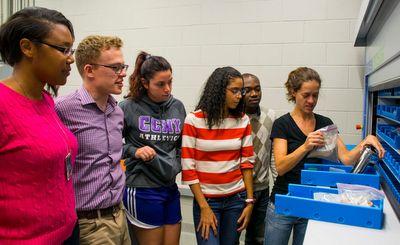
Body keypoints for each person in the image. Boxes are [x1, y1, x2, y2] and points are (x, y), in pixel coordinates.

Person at [264, 67, 385, 245]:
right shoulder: (282, 125)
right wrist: (305, 146)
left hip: (313, 201)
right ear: (293, 92)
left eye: (315, 95)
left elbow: (346, 158)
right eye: (306, 95)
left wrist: (365, 141)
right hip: (283, 202)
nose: (311, 100)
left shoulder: (325, 124)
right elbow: (281, 167)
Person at [0, 7, 79, 244]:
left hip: (66, 234)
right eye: (63, 49)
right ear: (27, 48)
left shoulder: (45, 100)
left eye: (71, 49)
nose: (71, 58)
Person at [55, 35, 130, 245]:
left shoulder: (117, 111)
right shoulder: (62, 109)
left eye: (123, 66)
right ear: (89, 70)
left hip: (119, 215)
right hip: (89, 224)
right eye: (115, 68)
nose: (123, 73)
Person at [181, 67, 255, 245]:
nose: (240, 96)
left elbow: (247, 164)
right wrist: (204, 207)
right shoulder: (194, 120)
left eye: (241, 90)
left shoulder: (243, 120)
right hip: (207, 201)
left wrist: (249, 201)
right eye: (234, 91)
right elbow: (188, 169)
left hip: (235, 200)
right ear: (219, 91)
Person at [119, 51, 186, 245]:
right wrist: (134, 151)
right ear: (145, 83)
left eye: (170, 82)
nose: (167, 89)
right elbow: (111, 146)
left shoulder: (177, 107)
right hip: (141, 189)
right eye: (160, 84)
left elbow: (182, 145)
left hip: (170, 188)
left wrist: (177, 163)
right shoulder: (128, 107)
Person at [242, 73, 277, 245]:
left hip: (262, 189)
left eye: (257, 89)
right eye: (247, 90)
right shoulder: (234, 118)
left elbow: (272, 155)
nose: (254, 94)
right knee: (231, 236)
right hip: (238, 191)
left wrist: (276, 186)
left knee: (257, 239)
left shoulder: (270, 115)